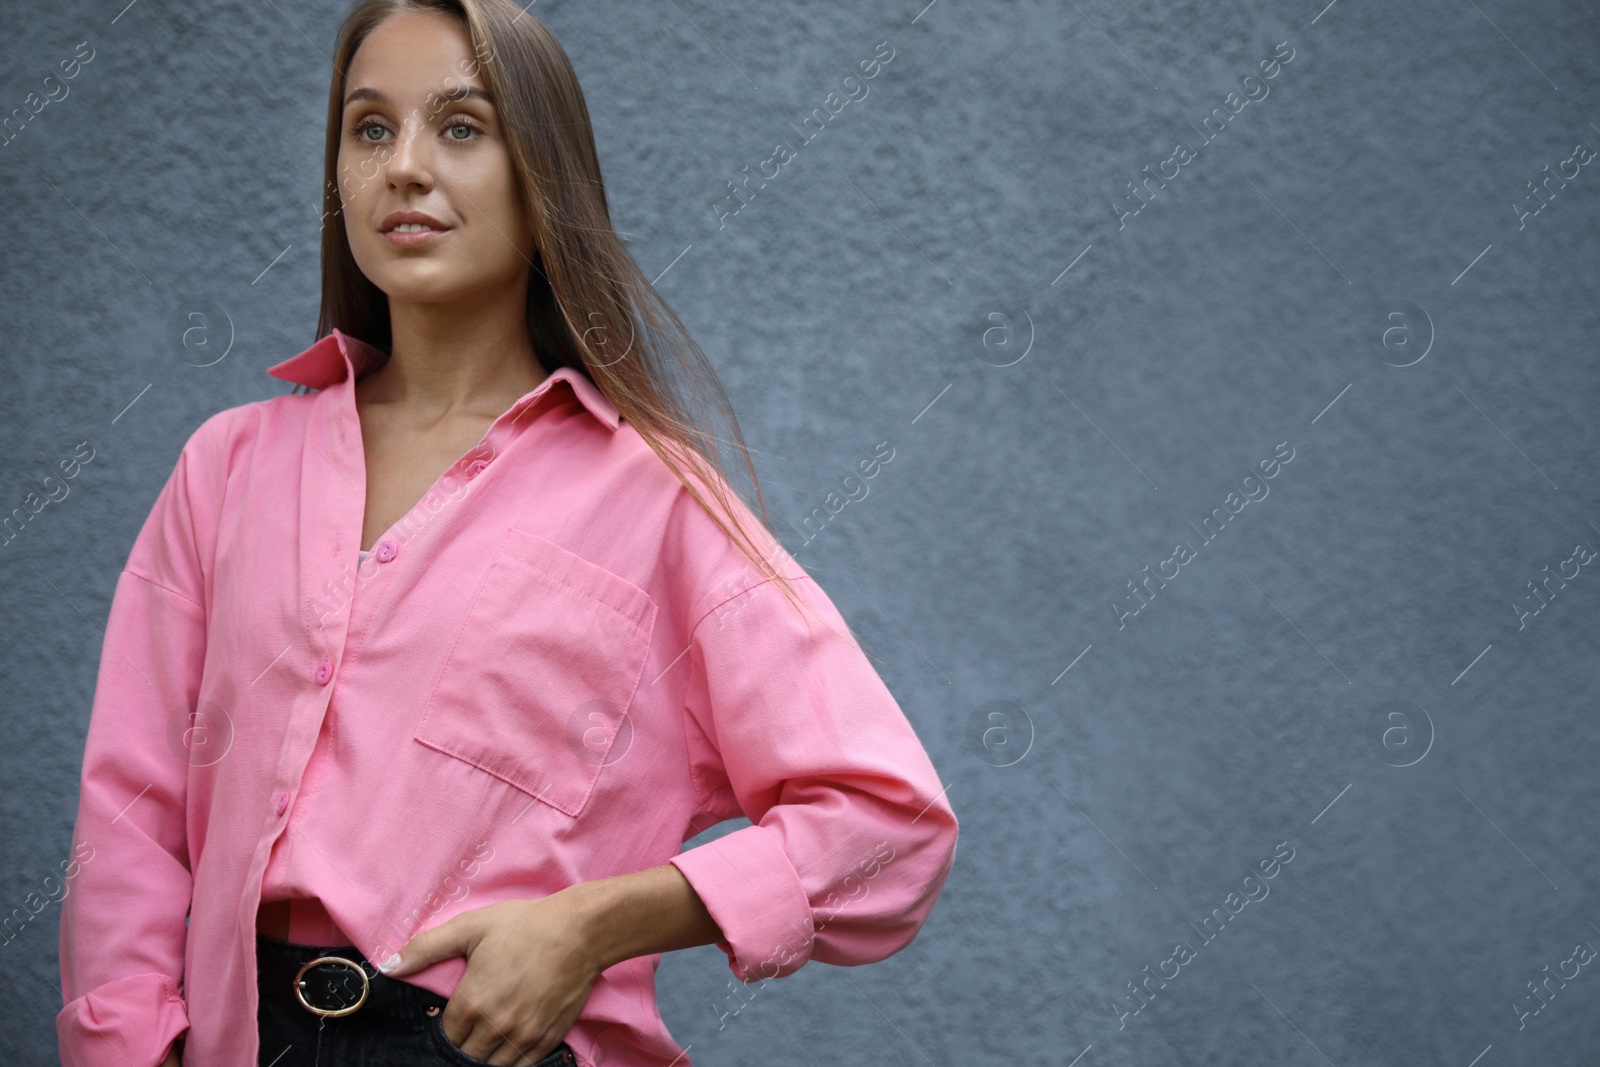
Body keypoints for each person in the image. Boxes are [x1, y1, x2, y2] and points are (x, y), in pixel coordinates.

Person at [55, 2, 959, 1065]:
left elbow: (885, 826)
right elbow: (132, 806)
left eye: (462, 126)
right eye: (369, 127)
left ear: (546, 179)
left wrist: (592, 924)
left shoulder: (655, 500)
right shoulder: (229, 467)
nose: (403, 167)